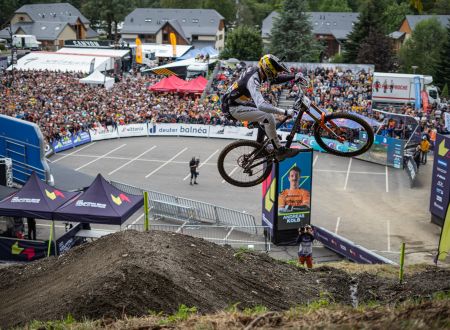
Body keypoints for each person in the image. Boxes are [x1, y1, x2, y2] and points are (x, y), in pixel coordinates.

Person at [221, 54, 307, 162]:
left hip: (237, 103)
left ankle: (260, 147)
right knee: (267, 115)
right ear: (269, 69)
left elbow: (275, 80)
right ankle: (280, 150)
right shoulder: (253, 79)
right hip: (232, 107)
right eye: (276, 71)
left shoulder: (258, 71)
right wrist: (284, 112)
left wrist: (294, 76)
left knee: (265, 115)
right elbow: (261, 105)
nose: (277, 74)